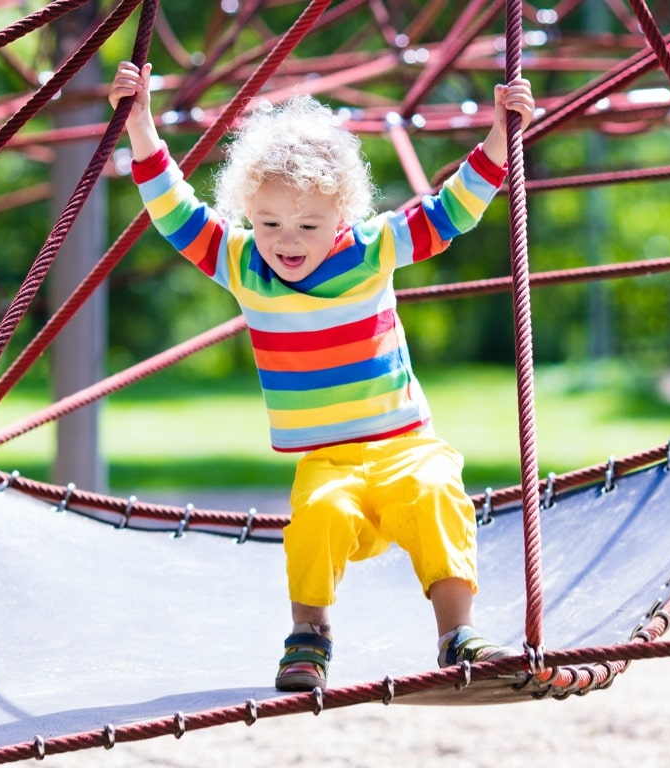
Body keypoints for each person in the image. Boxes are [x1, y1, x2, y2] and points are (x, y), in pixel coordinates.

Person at [109, 60, 535, 692]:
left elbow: (452, 212)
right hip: (328, 461)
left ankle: (457, 635)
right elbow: (175, 212)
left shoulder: (372, 250)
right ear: (248, 211)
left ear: (340, 216)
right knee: (317, 517)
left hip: (403, 446)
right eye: (270, 222)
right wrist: (140, 123)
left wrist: (501, 136)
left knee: (437, 495)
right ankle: (310, 634)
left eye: (307, 225)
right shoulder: (241, 263)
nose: (287, 240)